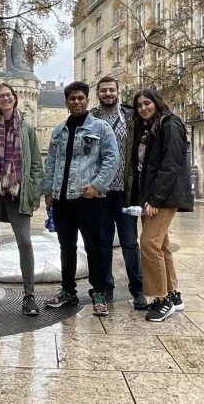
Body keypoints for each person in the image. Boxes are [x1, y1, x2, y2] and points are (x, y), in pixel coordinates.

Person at [43, 81, 119, 316]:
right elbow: (52, 162)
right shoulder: (58, 130)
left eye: (80, 98)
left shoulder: (101, 128)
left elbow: (111, 159)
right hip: (62, 198)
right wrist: (48, 191)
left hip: (88, 198)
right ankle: (68, 291)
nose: (76, 102)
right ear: (66, 102)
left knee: (93, 247)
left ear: (87, 100)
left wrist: (97, 186)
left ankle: (99, 293)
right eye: (72, 99)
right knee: (66, 247)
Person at [0, 82, 43, 316]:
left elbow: (35, 165)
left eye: (9, 95)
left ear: (15, 97)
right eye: (1, 96)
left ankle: (29, 295)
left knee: (25, 242)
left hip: (17, 193)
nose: (5, 99)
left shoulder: (27, 129)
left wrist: (33, 194)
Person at [131, 88, 191, 322]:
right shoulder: (152, 128)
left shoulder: (170, 124)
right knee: (161, 245)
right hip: (151, 197)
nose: (143, 108)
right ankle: (173, 294)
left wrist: (156, 199)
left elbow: (171, 164)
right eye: (139, 105)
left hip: (162, 197)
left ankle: (160, 298)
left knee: (148, 244)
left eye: (147, 103)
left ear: (156, 102)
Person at [90, 76, 146, 309]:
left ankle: (138, 290)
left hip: (125, 191)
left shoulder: (130, 116)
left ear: (118, 92)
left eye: (112, 90)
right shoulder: (90, 118)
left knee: (130, 243)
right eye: (104, 90)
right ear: (98, 94)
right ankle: (106, 288)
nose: (108, 94)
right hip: (100, 193)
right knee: (102, 243)